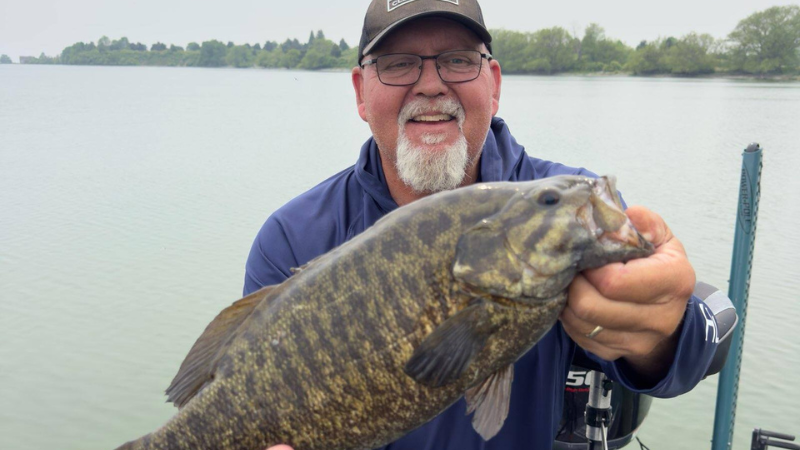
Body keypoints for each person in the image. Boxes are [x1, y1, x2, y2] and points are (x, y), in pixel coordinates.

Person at [249, 1, 718, 449]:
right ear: (360, 93)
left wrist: (664, 330)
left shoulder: (562, 206)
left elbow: (684, 362)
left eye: (457, 60)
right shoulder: (292, 238)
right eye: (397, 64)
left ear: (493, 83)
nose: (430, 85)